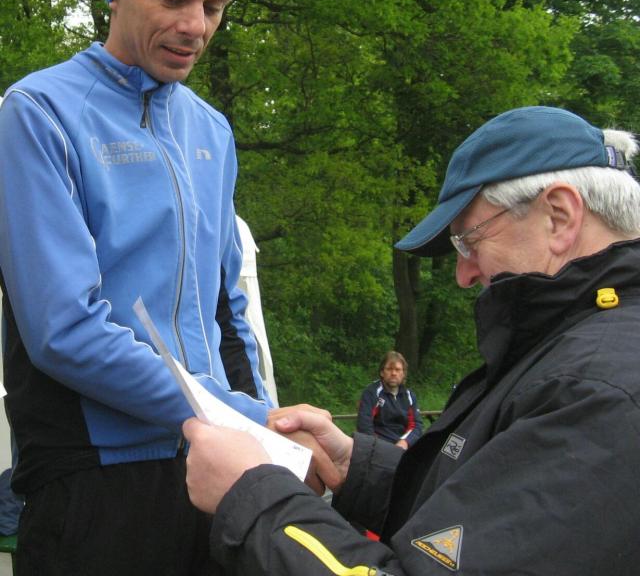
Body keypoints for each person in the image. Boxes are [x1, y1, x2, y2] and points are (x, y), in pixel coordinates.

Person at [182, 105, 640, 575]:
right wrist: (355, 466)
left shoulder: (597, 391)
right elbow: (481, 516)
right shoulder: (571, 354)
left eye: (469, 240)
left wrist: (252, 498)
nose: (463, 274)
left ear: (559, 217)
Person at [0, 0, 275, 576]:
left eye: (214, 6)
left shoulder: (211, 131)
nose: (195, 25)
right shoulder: (38, 112)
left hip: (214, 465)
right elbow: (63, 330)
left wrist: (266, 425)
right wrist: (230, 414)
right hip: (93, 477)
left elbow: (228, 312)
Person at [356, 351, 422, 449]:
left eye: (397, 370)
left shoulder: (410, 396)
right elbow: (364, 425)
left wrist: (404, 442)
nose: (393, 373)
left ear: (403, 373)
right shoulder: (371, 392)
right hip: (377, 446)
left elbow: (416, 426)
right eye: (389, 369)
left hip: (403, 446)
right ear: (382, 372)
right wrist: (379, 447)